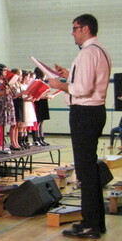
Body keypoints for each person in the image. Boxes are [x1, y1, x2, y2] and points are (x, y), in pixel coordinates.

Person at [48, 14, 110, 239]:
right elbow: (85, 81)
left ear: (85, 29)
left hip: (85, 113)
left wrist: (59, 85)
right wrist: (69, 75)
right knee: (89, 169)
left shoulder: (87, 52)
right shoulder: (99, 50)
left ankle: (91, 225)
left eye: (74, 29)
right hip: (95, 111)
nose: (72, 33)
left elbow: (82, 88)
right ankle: (94, 221)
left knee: (86, 171)